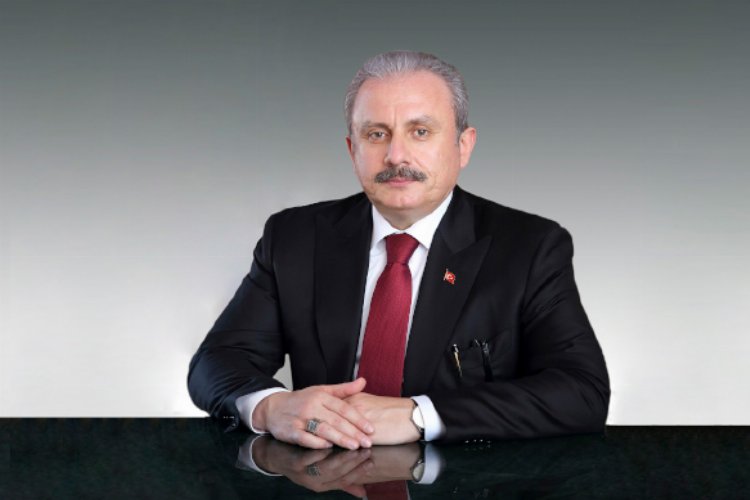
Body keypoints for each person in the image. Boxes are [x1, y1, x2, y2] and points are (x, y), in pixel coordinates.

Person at [188, 50, 610, 450]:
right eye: (376, 135)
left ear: (463, 146)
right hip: (323, 476)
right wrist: (270, 407)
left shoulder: (529, 247)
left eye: (420, 132)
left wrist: (418, 415)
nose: (396, 155)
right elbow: (217, 360)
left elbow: (582, 391)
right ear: (352, 150)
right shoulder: (295, 238)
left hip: (466, 480)